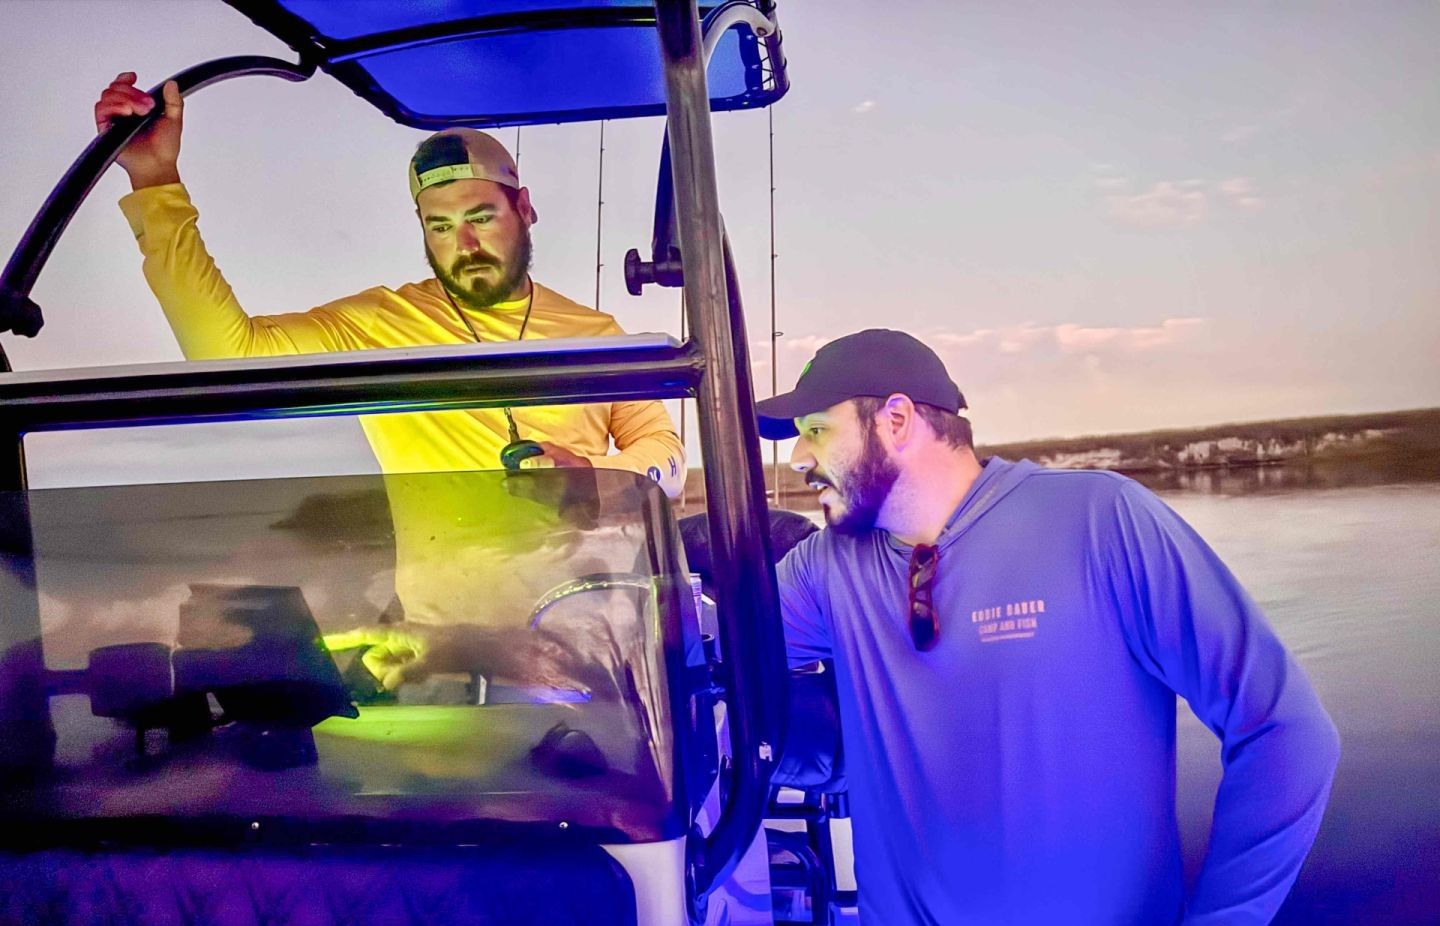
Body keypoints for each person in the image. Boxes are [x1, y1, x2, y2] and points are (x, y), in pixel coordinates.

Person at [754, 329, 1340, 925]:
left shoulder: (1101, 521)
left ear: (897, 420)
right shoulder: (826, 568)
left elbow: (1282, 729)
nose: (799, 457)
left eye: (817, 430)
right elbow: (708, 647)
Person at [94, 73, 685, 628]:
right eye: (443, 226)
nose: (467, 244)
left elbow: (666, 453)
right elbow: (227, 351)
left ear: (524, 209)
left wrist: (598, 479)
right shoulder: (379, 322)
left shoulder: (594, 333)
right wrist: (154, 182)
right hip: (448, 656)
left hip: (589, 642)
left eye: (482, 217)